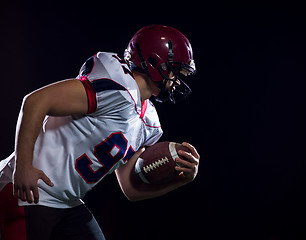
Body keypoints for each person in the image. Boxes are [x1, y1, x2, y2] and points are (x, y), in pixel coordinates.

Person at [0, 25, 200, 240]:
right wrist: (23, 167)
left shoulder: (149, 122)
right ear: (154, 62)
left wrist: (180, 180)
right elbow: (35, 102)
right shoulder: (115, 87)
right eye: (174, 71)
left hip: (67, 203)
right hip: (29, 191)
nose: (176, 80)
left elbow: (130, 189)